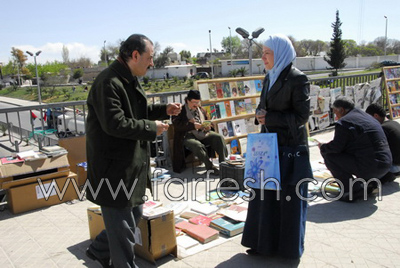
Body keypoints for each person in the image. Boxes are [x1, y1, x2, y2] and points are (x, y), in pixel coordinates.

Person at [85, 34, 181, 268]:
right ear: (135, 55)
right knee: (123, 232)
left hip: (129, 165)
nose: (151, 64)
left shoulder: (128, 78)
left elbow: (137, 110)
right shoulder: (108, 82)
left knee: (133, 214)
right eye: (149, 58)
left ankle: (98, 249)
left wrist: (162, 110)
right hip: (113, 168)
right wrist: (152, 128)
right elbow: (115, 123)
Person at [241, 34, 312, 259]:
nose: (262, 57)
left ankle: (288, 251)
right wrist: (260, 115)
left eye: (267, 53)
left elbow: (301, 117)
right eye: (262, 52)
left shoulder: (297, 79)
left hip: (289, 148)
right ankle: (263, 245)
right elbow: (264, 108)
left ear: (280, 53)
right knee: (265, 197)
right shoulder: (269, 77)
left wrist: (270, 118)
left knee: (289, 201)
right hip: (268, 146)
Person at [318, 97, 392, 201]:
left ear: (342, 110)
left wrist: (323, 147)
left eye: (336, 112)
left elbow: (336, 148)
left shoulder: (344, 122)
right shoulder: (367, 117)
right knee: (360, 150)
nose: (336, 116)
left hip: (371, 166)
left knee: (329, 156)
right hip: (386, 165)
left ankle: (351, 190)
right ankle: (371, 184)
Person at [172, 89, 227, 174]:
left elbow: (208, 121)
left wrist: (208, 126)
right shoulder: (180, 111)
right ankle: (210, 167)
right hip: (187, 135)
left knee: (218, 138)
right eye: (194, 102)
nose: (196, 105)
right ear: (187, 100)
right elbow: (177, 125)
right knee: (197, 145)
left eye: (198, 102)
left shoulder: (201, 110)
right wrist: (192, 126)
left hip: (202, 133)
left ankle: (223, 164)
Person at [366, 103, 400, 182]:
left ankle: (386, 175)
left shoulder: (382, 128)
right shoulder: (394, 123)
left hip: (395, 167)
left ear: (376, 116)